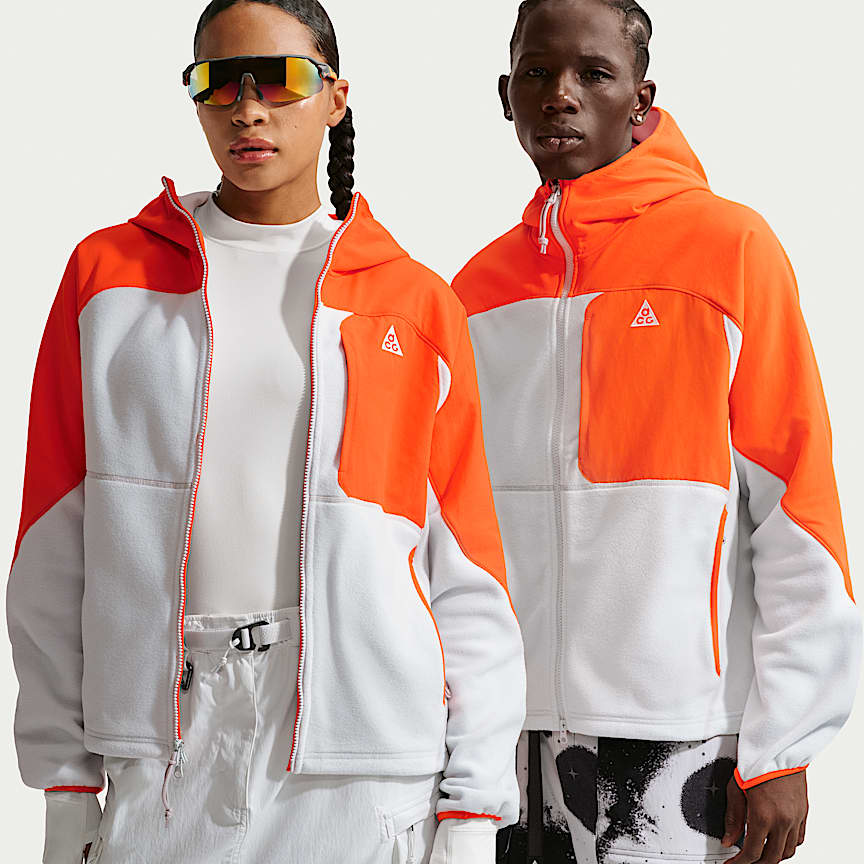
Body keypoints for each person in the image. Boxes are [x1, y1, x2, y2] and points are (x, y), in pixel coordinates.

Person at [5, 2, 526, 862]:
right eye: (219, 84)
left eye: (281, 81)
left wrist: (474, 812)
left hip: (366, 759)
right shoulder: (109, 279)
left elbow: (466, 572)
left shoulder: (413, 301)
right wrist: (65, 784)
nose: (248, 109)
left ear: (335, 97)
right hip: (165, 748)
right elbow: (52, 543)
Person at [449, 2, 861, 863]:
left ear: (641, 99)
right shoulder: (477, 291)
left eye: (593, 74)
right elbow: (449, 530)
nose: (560, 95)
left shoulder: (729, 248)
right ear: (504, 93)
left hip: (680, 737)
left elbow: (798, 511)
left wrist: (784, 745)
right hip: (505, 734)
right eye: (536, 73)